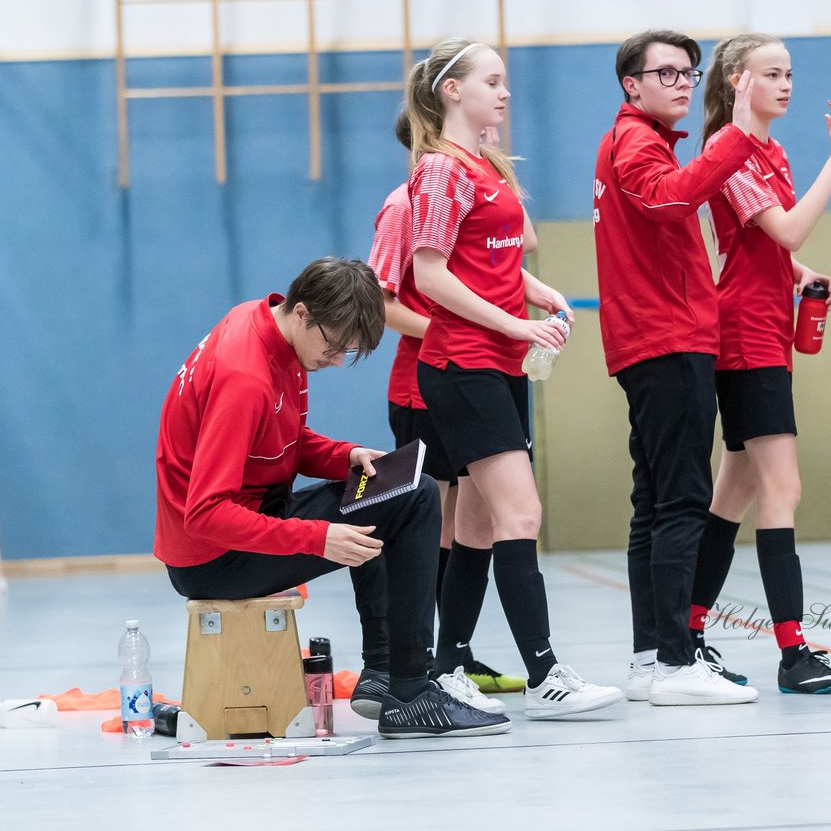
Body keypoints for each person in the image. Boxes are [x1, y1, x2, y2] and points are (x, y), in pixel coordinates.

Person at [154, 257, 511, 737]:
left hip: (248, 517)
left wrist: (345, 455)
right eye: (335, 345)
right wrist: (317, 537)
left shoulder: (272, 329)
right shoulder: (245, 376)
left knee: (394, 489)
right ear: (301, 312)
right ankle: (409, 690)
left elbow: (281, 440)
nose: (338, 361)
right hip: (211, 558)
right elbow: (204, 514)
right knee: (418, 499)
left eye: (351, 351)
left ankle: (386, 676)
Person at [407, 37, 623, 719]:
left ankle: (448, 669)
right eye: (491, 81)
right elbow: (429, 275)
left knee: (476, 525)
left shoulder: (486, 164)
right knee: (522, 514)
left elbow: (494, 263)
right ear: (451, 90)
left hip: (498, 363)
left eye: (504, 82)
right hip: (462, 364)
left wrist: (541, 295)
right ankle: (545, 674)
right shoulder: (441, 170)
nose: (504, 92)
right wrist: (513, 326)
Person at [592, 29, 758, 706]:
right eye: (666, 72)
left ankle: (649, 659)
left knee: (655, 503)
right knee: (684, 500)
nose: (684, 82)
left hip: (654, 340)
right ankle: (676, 662)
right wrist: (738, 134)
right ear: (632, 84)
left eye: (689, 71)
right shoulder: (634, 143)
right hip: (667, 340)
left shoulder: (637, 140)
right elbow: (670, 198)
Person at [694, 33, 831, 693]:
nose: (786, 83)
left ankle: (689, 626)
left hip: (768, 327)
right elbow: (786, 226)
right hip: (745, 335)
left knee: (736, 488)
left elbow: (772, 244)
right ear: (738, 81)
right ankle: (793, 651)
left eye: (789, 72)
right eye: (771, 72)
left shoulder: (773, 150)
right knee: (781, 488)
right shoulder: (728, 154)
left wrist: (797, 271)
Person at [367, 110, 526, 706]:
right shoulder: (403, 207)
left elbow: (523, 244)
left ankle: (453, 655)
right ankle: (422, 659)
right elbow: (384, 304)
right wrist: (453, 325)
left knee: (474, 521)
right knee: (433, 522)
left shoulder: (469, 194)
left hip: (473, 373)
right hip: (424, 385)